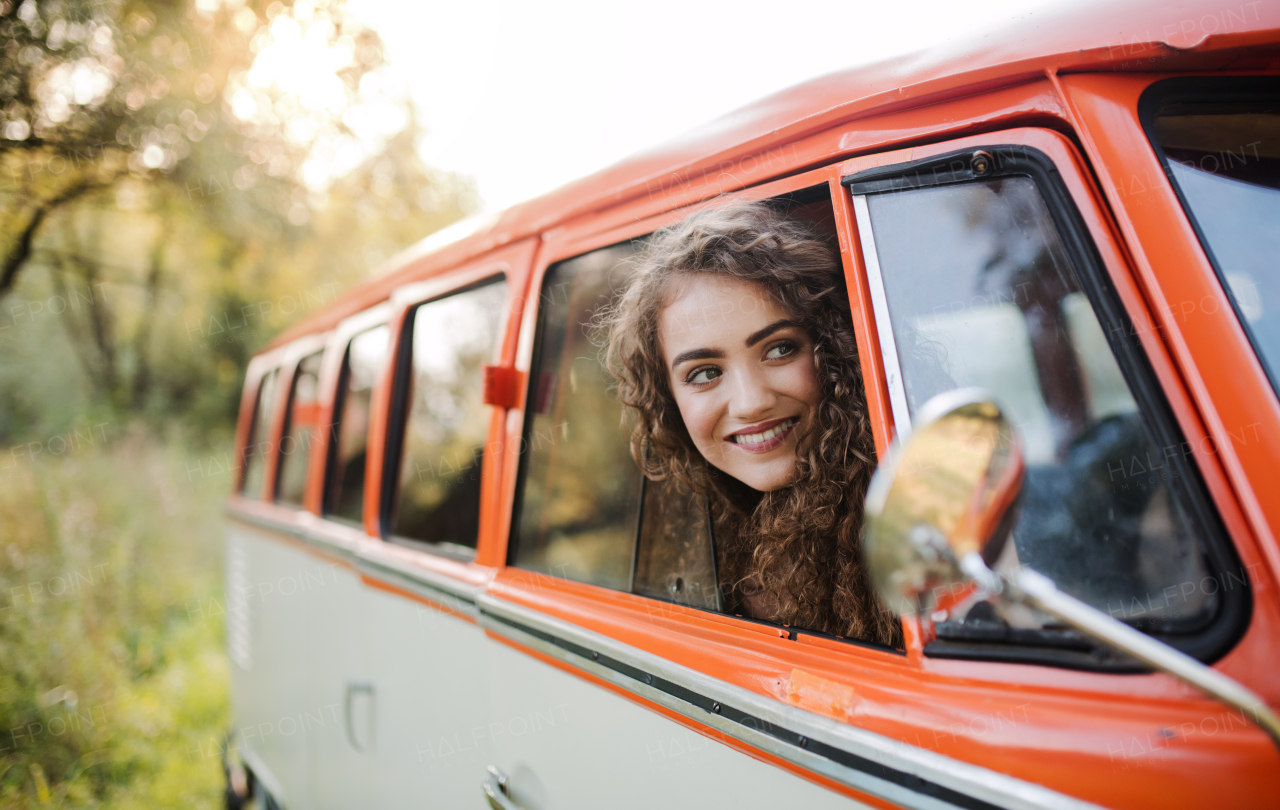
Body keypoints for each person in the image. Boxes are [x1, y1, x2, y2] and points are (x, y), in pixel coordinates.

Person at [600, 201, 901, 646]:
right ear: (669, 402)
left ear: (835, 352)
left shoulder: (919, 515)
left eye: (779, 349)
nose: (751, 402)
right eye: (705, 373)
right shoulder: (702, 539)